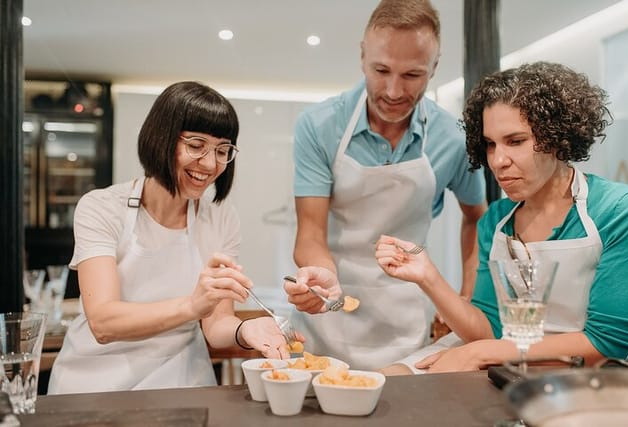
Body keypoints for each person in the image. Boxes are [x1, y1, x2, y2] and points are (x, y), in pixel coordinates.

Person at [375, 62, 628, 375]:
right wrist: (428, 277)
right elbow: (487, 328)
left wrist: (482, 354)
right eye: (490, 144)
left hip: (576, 372)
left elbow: (606, 345)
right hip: (499, 353)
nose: (498, 161)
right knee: (388, 382)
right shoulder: (497, 220)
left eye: (515, 141)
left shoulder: (620, 211)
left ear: (556, 137)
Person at [48, 81, 295, 394]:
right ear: (161, 139)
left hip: (182, 384)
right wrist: (193, 306)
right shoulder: (101, 207)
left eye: (222, 150)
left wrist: (246, 329)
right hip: (94, 387)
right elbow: (103, 322)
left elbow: (217, 325)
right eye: (195, 145)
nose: (210, 163)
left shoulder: (219, 217)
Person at [284, 0, 487, 370]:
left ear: (434, 68)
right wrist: (323, 278)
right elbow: (310, 232)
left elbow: (477, 218)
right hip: (326, 319)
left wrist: (466, 298)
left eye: (412, 75)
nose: (394, 91)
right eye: (381, 70)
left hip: (405, 329)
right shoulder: (319, 125)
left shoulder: (454, 139)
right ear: (362, 57)